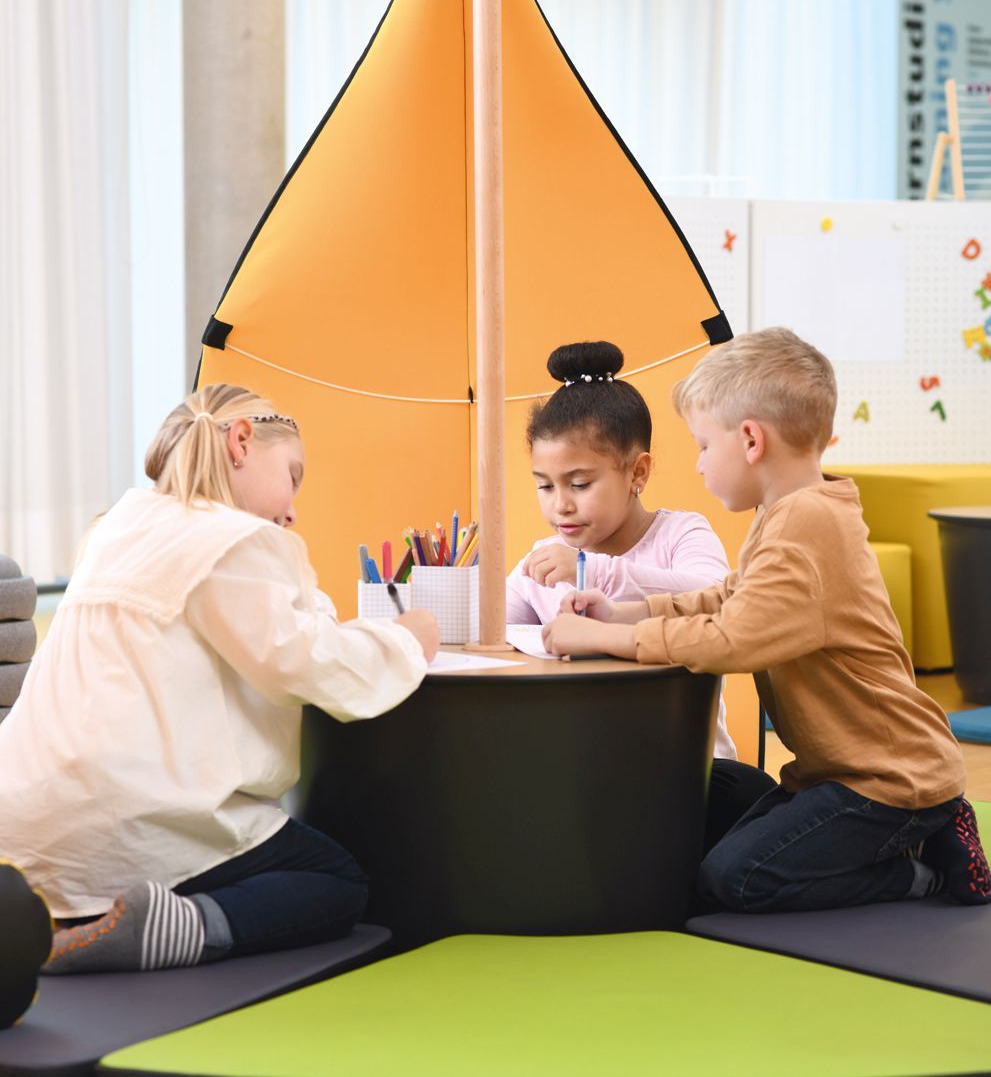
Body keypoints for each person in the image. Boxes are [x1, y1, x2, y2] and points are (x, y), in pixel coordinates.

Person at [543, 328, 991, 912]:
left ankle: (920, 868)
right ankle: (915, 837)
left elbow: (732, 639)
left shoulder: (804, 524)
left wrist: (610, 636)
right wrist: (627, 608)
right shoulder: (786, 512)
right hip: (835, 773)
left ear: (751, 440)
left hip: (886, 782)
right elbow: (730, 597)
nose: (700, 465)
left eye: (704, 446)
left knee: (735, 879)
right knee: (712, 856)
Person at [0, 384, 440, 972]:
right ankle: (179, 925)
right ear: (240, 441)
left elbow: (266, 628)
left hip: (28, 822)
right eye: (293, 475)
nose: (293, 509)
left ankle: (85, 914)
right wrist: (408, 638)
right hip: (121, 817)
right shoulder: (234, 539)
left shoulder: (120, 528)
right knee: (336, 880)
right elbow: (307, 663)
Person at [508, 340, 775, 850]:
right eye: (544, 486)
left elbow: (716, 594)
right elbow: (494, 627)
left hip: (687, 769)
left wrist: (592, 570)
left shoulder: (681, 536)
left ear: (638, 473)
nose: (560, 506)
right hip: (583, 768)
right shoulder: (545, 556)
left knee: (734, 814)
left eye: (579, 483)